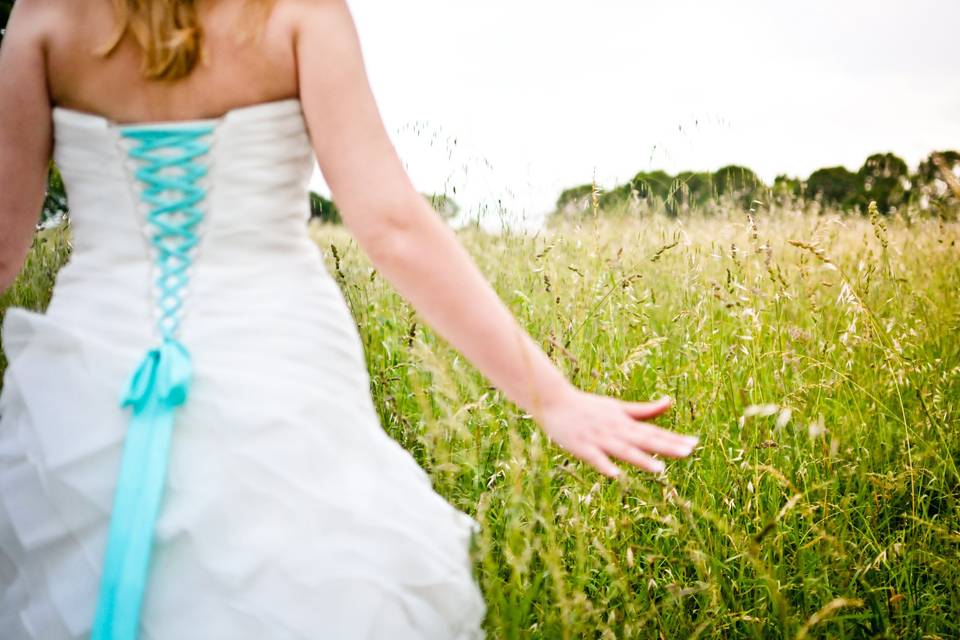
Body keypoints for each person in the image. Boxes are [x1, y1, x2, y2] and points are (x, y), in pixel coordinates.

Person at [0, 0, 699, 637]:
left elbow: (3, 244)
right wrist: (551, 397)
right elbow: (391, 225)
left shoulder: (48, 18)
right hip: (278, 360)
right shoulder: (296, 12)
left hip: (92, 368)